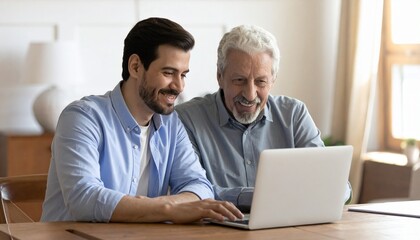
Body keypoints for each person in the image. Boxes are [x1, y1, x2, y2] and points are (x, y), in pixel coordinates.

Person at [41, 17, 243, 223]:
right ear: (136, 66)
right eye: (168, 72)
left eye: (183, 75)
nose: (179, 86)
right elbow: (83, 198)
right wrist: (168, 209)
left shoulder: (171, 124)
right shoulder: (82, 118)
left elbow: (199, 185)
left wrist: (171, 206)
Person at [176, 25, 352, 212]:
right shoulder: (187, 118)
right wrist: (269, 196)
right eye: (239, 80)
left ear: (273, 80)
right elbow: (194, 191)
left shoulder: (294, 114)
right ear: (220, 76)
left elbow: (330, 181)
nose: (250, 94)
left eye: (260, 81)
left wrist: (333, 190)